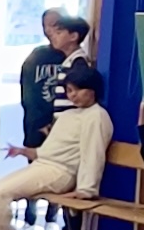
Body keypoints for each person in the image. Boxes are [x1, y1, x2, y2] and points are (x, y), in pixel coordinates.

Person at [0, 54, 110, 230]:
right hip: (43, 167)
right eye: (69, 91)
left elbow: (93, 154)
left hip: (59, 173)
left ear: (92, 90)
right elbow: (48, 151)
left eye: (78, 90)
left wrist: (87, 189)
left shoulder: (97, 116)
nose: (73, 95)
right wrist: (23, 152)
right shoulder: (68, 116)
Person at [15, 8, 89, 154]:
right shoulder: (37, 56)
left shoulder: (77, 62)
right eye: (46, 26)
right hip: (39, 129)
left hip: (63, 133)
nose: (50, 31)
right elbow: (28, 95)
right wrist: (40, 124)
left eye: (56, 27)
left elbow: (78, 101)